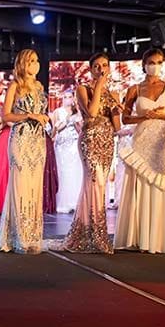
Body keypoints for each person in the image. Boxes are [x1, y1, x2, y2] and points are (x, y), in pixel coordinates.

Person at [0, 49, 49, 254]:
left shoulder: (40, 87)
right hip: (21, 138)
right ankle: (17, 236)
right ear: (23, 64)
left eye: (37, 60)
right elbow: (7, 116)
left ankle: (32, 236)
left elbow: (41, 112)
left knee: (34, 186)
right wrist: (30, 117)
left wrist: (42, 117)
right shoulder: (15, 86)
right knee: (21, 185)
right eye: (31, 61)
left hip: (37, 140)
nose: (35, 64)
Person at [114, 48, 165, 254]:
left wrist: (163, 116)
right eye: (151, 62)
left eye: (159, 62)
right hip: (141, 139)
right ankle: (139, 237)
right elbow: (125, 119)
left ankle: (159, 238)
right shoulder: (134, 89)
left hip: (162, 140)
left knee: (159, 182)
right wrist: (145, 117)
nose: (155, 66)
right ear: (144, 64)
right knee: (140, 183)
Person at [56, 53, 121, 253]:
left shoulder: (114, 94)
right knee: (96, 181)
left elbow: (117, 126)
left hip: (107, 141)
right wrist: (100, 85)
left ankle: (85, 231)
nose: (101, 69)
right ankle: (97, 235)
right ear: (91, 69)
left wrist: (119, 110)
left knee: (98, 187)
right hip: (90, 140)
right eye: (96, 66)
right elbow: (92, 113)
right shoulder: (83, 89)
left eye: (105, 65)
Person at [53, 90, 83, 213]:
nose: (67, 99)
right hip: (61, 145)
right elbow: (54, 131)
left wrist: (75, 122)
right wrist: (64, 122)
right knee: (62, 172)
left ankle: (75, 201)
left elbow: (81, 130)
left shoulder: (77, 112)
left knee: (74, 171)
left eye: (69, 97)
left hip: (73, 145)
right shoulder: (57, 112)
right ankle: (62, 202)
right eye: (65, 97)